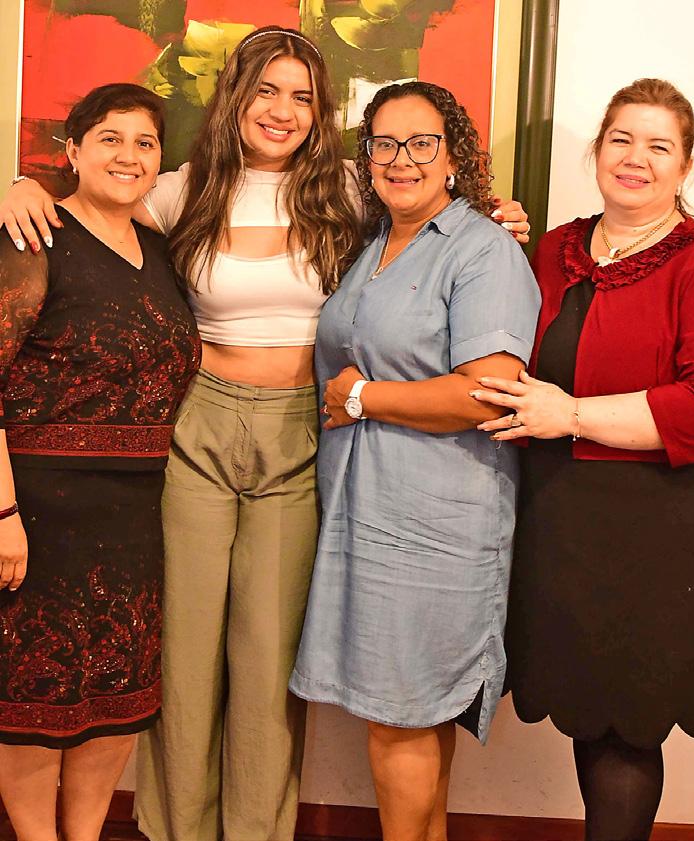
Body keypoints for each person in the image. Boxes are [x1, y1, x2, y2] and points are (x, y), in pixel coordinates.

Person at [0, 27, 531, 841]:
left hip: (303, 430)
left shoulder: (351, 185)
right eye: (265, 91)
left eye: (302, 96)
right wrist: (18, 186)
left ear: (321, 112)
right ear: (234, 97)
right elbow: (94, 199)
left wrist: (500, 213)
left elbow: (435, 212)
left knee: (267, 655)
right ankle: (175, 829)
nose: (281, 110)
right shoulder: (182, 188)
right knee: (182, 651)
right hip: (198, 426)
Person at [471, 78, 694, 841]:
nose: (634, 158)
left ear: (684, 166)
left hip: (660, 533)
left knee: (627, 727)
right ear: (597, 149)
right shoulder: (554, 249)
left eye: (658, 146)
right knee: (592, 713)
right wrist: (485, 237)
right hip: (564, 523)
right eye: (620, 138)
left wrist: (570, 414)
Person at [288, 80, 540, 841]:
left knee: (400, 717)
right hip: (366, 506)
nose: (402, 159)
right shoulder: (373, 244)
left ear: (453, 156)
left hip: (435, 521)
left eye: (422, 142)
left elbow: (487, 394)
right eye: (385, 144)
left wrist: (364, 397)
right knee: (412, 715)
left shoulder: (482, 248)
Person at [0, 83, 200, 841]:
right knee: (31, 701)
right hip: (36, 512)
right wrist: (2, 513)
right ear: (74, 151)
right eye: (109, 138)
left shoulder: (161, 251)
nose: (128, 155)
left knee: (119, 696)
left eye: (144, 142)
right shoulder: (31, 238)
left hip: (135, 514)